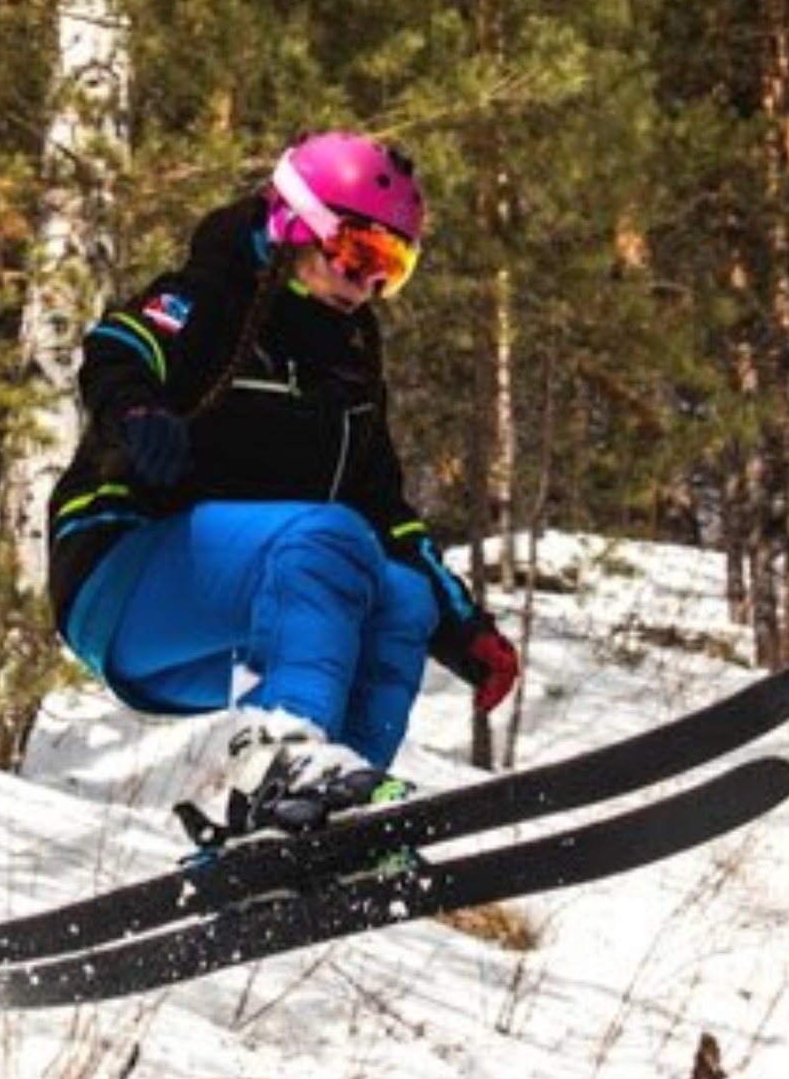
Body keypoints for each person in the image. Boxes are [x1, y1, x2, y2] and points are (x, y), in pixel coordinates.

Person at [45, 131, 520, 848]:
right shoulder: (208, 299)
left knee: (401, 595)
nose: (370, 284)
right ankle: (279, 764)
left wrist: (463, 628)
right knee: (328, 539)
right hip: (124, 569)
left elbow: (387, 512)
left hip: (226, 631)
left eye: (395, 265)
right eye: (361, 253)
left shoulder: (348, 376)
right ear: (297, 225)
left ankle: (325, 823)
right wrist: (138, 410)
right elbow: (120, 346)